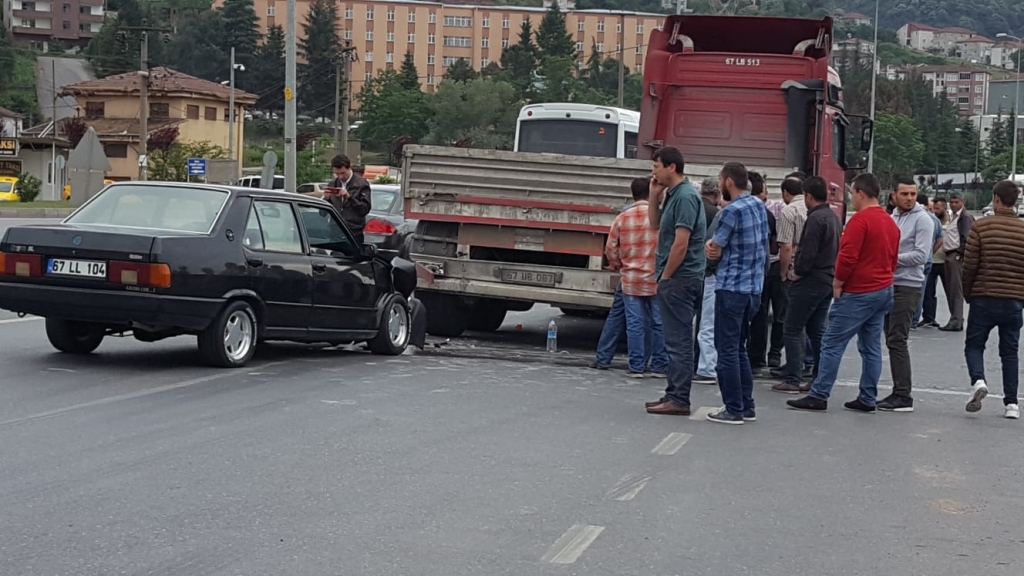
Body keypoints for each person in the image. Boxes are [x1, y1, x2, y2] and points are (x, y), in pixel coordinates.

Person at [787, 173, 900, 413]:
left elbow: (848, 257)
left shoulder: (859, 221)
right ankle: (868, 396)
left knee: (832, 342)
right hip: (883, 288)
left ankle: (819, 394)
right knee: (871, 346)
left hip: (859, 290)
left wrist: (838, 283)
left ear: (860, 193)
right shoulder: (889, 221)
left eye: (851, 193)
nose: (851, 198)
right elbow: (893, 257)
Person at [704, 162, 769, 424]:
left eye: (721, 179)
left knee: (726, 349)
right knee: (739, 347)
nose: (720, 184)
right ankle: (746, 404)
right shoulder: (758, 206)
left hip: (731, 287)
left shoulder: (731, 211)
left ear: (729, 181)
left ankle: (733, 408)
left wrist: (710, 247)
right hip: (753, 288)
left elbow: (715, 248)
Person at [645, 147, 707, 416]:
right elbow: (654, 224)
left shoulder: (685, 197)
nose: (653, 172)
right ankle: (673, 393)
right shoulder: (672, 194)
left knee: (678, 341)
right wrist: (653, 196)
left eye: (656, 166)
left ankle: (680, 398)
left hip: (681, 278)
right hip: (676, 277)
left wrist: (666, 277)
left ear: (671, 167)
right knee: (673, 340)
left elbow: (681, 243)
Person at [770, 177, 840, 394]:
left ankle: (793, 377)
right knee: (817, 330)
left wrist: (797, 272)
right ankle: (818, 376)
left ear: (808, 196)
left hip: (810, 279)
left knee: (792, 327)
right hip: (827, 278)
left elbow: (807, 252)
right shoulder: (833, 217)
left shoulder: (815, 219)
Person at [961, 180, 1024, 420]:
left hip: (983, 297)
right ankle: (1012, 404)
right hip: (1013, 301)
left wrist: (968, 293)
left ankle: (978, 381)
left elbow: (969, 266)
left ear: (996, 199)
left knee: (974, 345)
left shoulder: (981, 227)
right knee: (1009, 352)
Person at [877, 177, 934, 413]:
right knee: (890, 338)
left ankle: (903, 395)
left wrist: (890, 260)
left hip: (908, 285)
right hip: (889, 283)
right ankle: (897, 391)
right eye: (904, 194)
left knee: (897, 339)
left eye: (913, 194)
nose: (909, 198)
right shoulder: (892, 218)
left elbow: (921, 255)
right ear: (894, 196)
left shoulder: (923, 219)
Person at [605, 178, 669, 378]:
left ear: (632, 194)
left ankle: (636, 366)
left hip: (631, 280)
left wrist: (617, 264)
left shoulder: (622, 217)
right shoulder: (660, 217)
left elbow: (610, 248)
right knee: (659, 323)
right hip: (656, 278)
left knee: (635, 324)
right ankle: (659, 366)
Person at [747, 172, 784, 371]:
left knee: (758, 314)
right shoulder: (767, 214)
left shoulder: (737, 210)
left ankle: (756, 356)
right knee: (779, 313)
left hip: (753, 271)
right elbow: (774, 246)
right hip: (771, 266)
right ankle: (774, 354)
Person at [693, 178, 721, 385]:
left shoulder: (694, 209)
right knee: (707, 321)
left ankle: (699, 363)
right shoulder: (716, 213)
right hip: (708, 272)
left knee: (697, 320)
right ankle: (706, 365)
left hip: (690, 269)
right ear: (717, 194)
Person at [939, 193, 975, 332]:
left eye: (956, 202)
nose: (954, 205)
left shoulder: (965, 217)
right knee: (950, 289)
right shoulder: (953, 217)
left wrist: (960, 254)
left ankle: (956, 320)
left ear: (962, 202)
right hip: (949, 254)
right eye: (952, 202)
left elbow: (967, 238)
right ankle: (955, 318)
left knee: (955, 289)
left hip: (956, 255)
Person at [912, 194, 944, 328]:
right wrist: (930, 252)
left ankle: (911, 318)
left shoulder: (915, 217)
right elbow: (940, 240)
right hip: (928, 259)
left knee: (910, 288)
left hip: (913, 258)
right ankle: (915, 319)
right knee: (922, 289)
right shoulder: (934, 219)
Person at [325, 154, 373, 244]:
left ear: (349, 168)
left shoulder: (361, 184)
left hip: (353, 232)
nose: (340, 177)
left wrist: (349, 197)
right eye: (337, 174)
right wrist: (326, 199)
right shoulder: (333, 184)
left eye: (343, 173)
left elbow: (364, 209)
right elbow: (323, 213)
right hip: (335, 231)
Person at [919, 197, 950, 328]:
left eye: (937, 208)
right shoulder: (931, 220)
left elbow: (940, 240)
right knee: (928, 291)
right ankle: (929, 317)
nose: (935, 211)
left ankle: (955, 317)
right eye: (933, 208)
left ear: (944, 208)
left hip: (945, 261)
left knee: (950, 291)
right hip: (933, 261)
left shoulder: (951, 221)